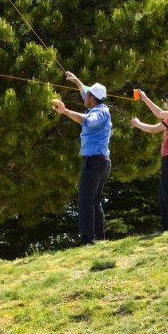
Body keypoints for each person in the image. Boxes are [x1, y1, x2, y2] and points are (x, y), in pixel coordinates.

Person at [52, 71, 112, 245]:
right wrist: (77, 81)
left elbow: (87, 120)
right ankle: (99, 238)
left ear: (92, 99)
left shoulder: (99, 113)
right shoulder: (98, 104)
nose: (84, 97)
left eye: (87, 96)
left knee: (85, 200)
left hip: (94, 161)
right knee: (94, 200)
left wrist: (65, 111)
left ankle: (88, 239)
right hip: (101, 161)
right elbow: (85, 91)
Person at [130, 89, 168, 231]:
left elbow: (154, 129)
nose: (166, 105)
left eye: (167, 102)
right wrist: (144, 98)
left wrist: (137, 124)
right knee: (164, 191)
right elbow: (158, 113)